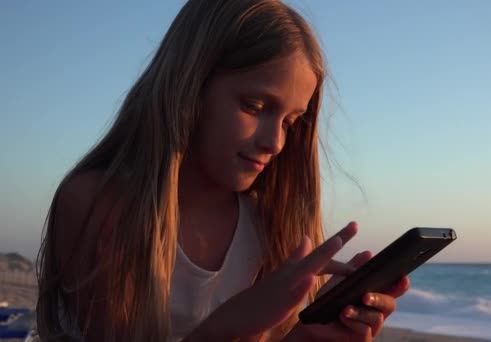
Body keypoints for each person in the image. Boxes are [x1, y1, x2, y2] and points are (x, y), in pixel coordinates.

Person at [36, 0, 410, 341]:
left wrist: (307, 336)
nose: (275, 143)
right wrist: (233, 324)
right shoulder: (98, 203)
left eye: (289, 123)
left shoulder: (267, 224)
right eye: (254, 105)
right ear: (190, 85)